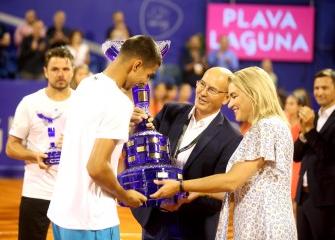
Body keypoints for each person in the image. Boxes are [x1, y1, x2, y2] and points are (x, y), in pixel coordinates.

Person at [151, 66, 297, 240]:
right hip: (262, 224)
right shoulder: (271, 125)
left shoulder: (266, 127)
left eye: (234, 96)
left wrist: (181, 185)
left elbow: (232, 181)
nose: (230, 104)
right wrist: (201, 192)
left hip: (265, 227)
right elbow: (248, 186)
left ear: (253, 93)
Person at [47, 35, 161, 240]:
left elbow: (90, 135)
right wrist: (124, 195)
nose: (145, 82)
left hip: (62, 213)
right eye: (148, 74)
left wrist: (125, 125)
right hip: (91, 218)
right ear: (137, 65)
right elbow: (97, 167)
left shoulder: (87, 84)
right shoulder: (118, 102)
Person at [131, 67, 243, 240]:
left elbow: (221, 193)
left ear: (226, 98)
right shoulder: (170, 111)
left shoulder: (232, 138)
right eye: (202, 84)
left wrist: (180, 199)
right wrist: (136, 131)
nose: (203, 93)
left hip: (192, 229)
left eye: (212, 90)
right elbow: (146, 159)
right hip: (155, 222)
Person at [5, 46, 75, 240]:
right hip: (36, 190)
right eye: (55, 69)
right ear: (45, 71)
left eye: (65, 69)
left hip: (73, 192)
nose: (60, 74)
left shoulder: (83, 103)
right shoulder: (29, 103)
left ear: (73, 71)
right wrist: (34, 156)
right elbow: (11, 146)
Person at [294, 68, 335, 240]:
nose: (319, 92)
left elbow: (329, 157)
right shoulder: (314, 116)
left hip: (326, 200)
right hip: (303, 198)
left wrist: (310, 130)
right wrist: (304, 134)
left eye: (324, 88)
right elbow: (296, 156)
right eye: (316, 88)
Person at [284, 88, 311, 201]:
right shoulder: (284, 120)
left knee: (294, 201)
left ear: (300, 107)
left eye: (291, 104)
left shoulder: (302, 125)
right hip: (285, 164)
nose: (287, 106)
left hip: (296, 165)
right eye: (286, 103)